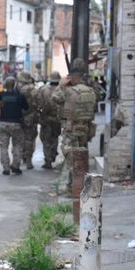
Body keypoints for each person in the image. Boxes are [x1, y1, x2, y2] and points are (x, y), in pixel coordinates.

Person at [52, 58, 97, 192]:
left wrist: (61, 85)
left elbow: (55, 98)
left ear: (73, 78)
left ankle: (76, 187)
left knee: (71, 157)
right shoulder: (91, 91)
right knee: (82, 155)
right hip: (85, 128)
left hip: (71, 129)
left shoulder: (69, 91)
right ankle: (79, 185)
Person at [0, 77, 29, 175]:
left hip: (3, 123)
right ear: (15, 84)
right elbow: (26, 107)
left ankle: (6, 168)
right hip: (16, 124)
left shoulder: (1, 96)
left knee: (3, 147)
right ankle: (15, 166)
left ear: (5, 84)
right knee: (18, 145)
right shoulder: (20, 96)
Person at [37, 71, 62, 169]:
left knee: (46, 140)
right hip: (57, 119)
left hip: (46, 119)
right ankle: (53, 155)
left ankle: (48, 160)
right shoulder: (62, 90)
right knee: (55, 137)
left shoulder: (43, 89)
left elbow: (38, 103)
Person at [16, 72, 39, 169]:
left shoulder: (17, 88)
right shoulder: (33, 89)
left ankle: (19, 158)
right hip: (31, 116)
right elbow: (38, 102)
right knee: (30, 139)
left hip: (18, 116)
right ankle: (28, 160)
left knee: (19, 139)